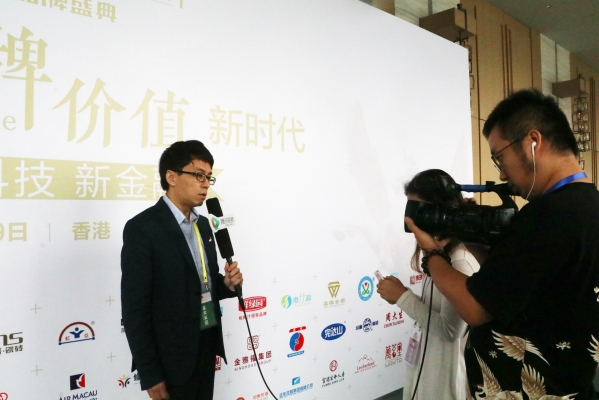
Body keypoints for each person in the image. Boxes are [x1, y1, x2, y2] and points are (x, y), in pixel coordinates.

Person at [404, 89, 599, 399]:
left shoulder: (548, 215)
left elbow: (476, 308)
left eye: (499, 157)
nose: (502, 173)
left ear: (533, 141)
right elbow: (515, 282)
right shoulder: (587, 206)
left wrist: (432, 254)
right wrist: (470, 235)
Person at [121, 140, 243, 400]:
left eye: (209, 177)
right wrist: (150, 373)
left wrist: (226, 285)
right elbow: (134, 309)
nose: (205, 184)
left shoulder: (204, 226)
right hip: (170, 360)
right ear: (171, 177)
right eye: (198, 175)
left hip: (206, 346)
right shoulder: (143, 228)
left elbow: (202, 283)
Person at [377, 169, 480, 399]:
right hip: (426, 372)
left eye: (419, 211)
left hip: (444, 383)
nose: (413, 221)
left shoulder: (459, 262)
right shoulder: (439, 257)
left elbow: (450, 330)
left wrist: (402, 297)